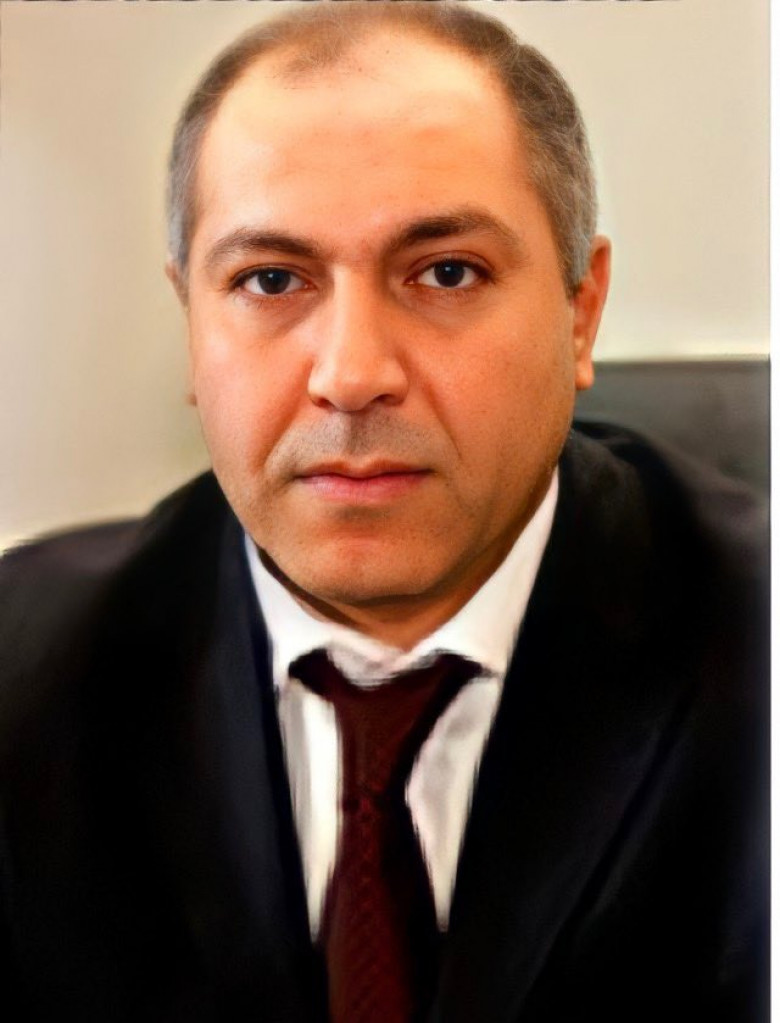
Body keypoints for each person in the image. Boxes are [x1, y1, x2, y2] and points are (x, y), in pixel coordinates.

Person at [0, 4, 767, 1022]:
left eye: (447, 273)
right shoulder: (23, 675)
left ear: (580, 312)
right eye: (271, 280)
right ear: (192, 325)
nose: (352, 373)